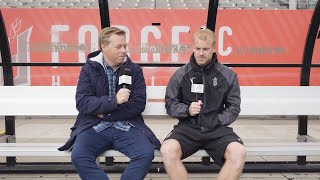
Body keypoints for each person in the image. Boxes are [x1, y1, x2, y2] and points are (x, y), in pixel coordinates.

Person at [58, 27, 161, 180]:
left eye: (125, 46)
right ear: (104, 46)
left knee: (145, 153)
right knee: (79, 156)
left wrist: (106, 113)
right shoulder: (89, 69)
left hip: (127, 126)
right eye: (118, 46)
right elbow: (83, 103)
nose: (123, 50)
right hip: (94, 126)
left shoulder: (134, 70)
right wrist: (114, 101)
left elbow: (138, 104)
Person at [160, 29, 246, 180]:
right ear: (193, 47)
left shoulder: (228, 75)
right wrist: (187, 110)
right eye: (198, 48)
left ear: (213, 49)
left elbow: (234, 107)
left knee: (238, 152)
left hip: (217, 129)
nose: (201, 53)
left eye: (205, 49)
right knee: (167, 150)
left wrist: (218, 120)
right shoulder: (180, 74)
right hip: (188, 128)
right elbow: (170, 104)